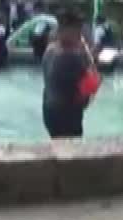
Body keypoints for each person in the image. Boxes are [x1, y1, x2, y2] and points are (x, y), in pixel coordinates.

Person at [41, 8, 95, 138]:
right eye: (78, 30)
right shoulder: (71, 56)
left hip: (49, 110)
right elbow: (92, 82)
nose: (80, 35)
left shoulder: (50, 49)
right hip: (68, 112)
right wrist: (87, 53)